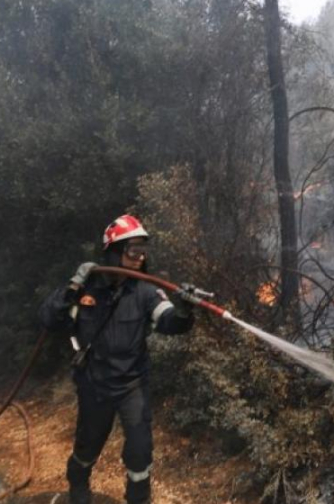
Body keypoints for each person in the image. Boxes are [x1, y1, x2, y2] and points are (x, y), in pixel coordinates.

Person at [39, 214, 195, 504]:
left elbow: (169, 321)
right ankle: (79, 489)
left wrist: (184, 311)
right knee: (88, 446)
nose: (139, 257)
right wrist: (73, 285)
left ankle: (138, 499)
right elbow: (50, 318)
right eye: (133, 250)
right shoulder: (87, 289)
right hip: (94, 382)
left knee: (139, 450)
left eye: (143, 251)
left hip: (132, 384)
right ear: (113, 251)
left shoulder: (146, 292)